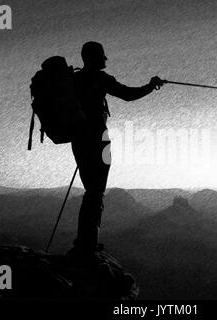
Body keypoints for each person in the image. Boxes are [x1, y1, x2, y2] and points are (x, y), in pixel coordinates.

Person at [69, 41, 164, 260]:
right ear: (93, 57)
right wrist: (151, 85)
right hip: (97, 138)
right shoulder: (100, 79)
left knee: (90, 190)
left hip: (79, 140)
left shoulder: (74, 79)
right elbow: (128, 95)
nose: (106, 59)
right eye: (102, 55)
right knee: (96, 191)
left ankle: (85, 241)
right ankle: (88, 244)